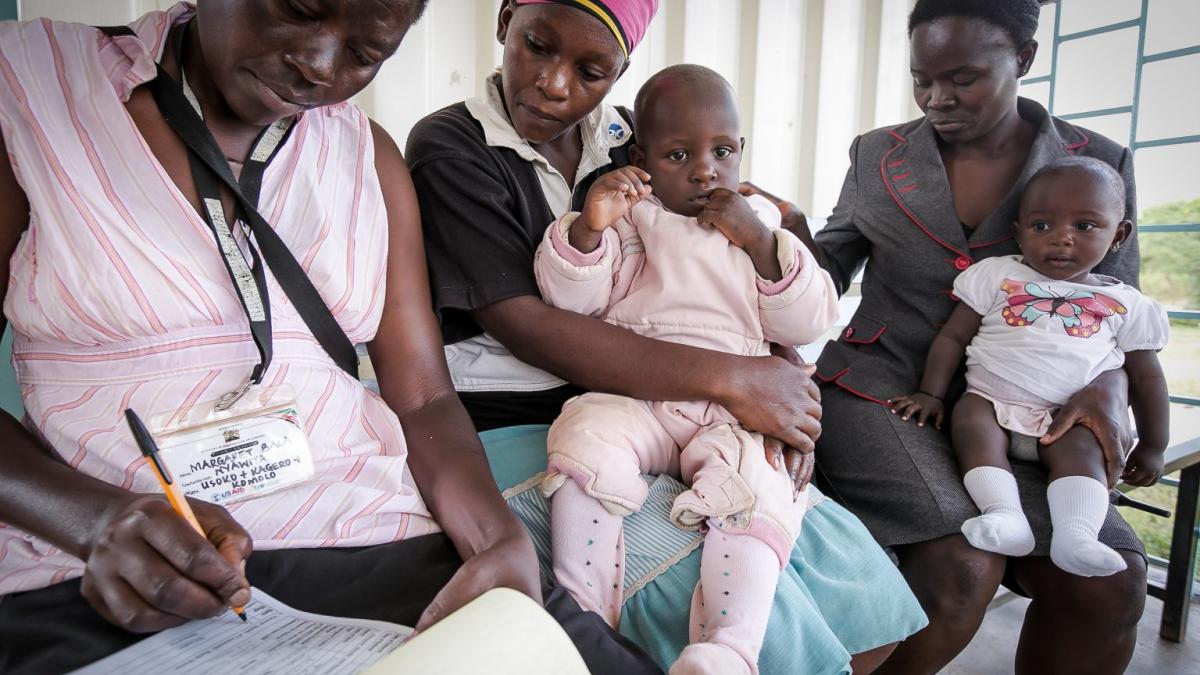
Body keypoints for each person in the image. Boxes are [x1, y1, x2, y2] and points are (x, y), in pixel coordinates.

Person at [0, 3, 657, 673]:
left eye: (365, 54)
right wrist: (92, 520)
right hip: (101, 569)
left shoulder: (367, 154)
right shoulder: (35, 88)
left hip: (374, 537)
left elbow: (424, 396)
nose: (317, 65)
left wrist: (497, 538)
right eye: (297, 9)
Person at [408, 2, 927, 673]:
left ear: (622, 71)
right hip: (527, 413)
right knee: (733, 607)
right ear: (507, 16)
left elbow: (737, 279)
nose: (556, 84)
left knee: (843, 569)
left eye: (592, 70)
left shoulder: (639, 141)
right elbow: (528, 323)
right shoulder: (452, 146)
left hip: (681, 396)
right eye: (537, 45)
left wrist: (779, 376)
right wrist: (736, 379)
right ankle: (607, 625)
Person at [742, 0, 1150, 672]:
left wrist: (1109, 386)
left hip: (1036, 405)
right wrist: (785, 236)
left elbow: (1118, 305)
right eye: (922, 80)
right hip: (883, 390)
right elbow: (831, 265)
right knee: (964, 556)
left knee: (1109, 581)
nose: (939, 99)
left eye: (962, 79)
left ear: (1023, 60)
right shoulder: (879, 154)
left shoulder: (1097, 163)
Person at [535, 65, 839, 674]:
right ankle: (585, 613)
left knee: (760, 489)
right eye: (679, 154)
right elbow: (573, 302)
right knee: (582, 434)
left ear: (741, 151)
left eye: (722, 151)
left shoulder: (763, 227)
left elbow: (807, 322)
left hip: (735, 407)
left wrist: (757, 242)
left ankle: (727, 649)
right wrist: (589, 232)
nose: (705, 169)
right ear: (642, 156)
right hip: (640, 390)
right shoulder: (629, 218)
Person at [890, 157, 1168, 578]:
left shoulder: (1128, 304)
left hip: (1066, 416)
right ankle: (1004, 516)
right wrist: (930, 393)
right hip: (991, 402)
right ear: (1019, 233)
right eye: (1042, 227)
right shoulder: (998, 275)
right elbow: (951, 337)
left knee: (1084, 453)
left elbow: (1147, 378)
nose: (1061, 239)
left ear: (1119, 236)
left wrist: (1153, 445)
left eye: (1085, 226)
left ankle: (1077, 537)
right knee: (970, 423)